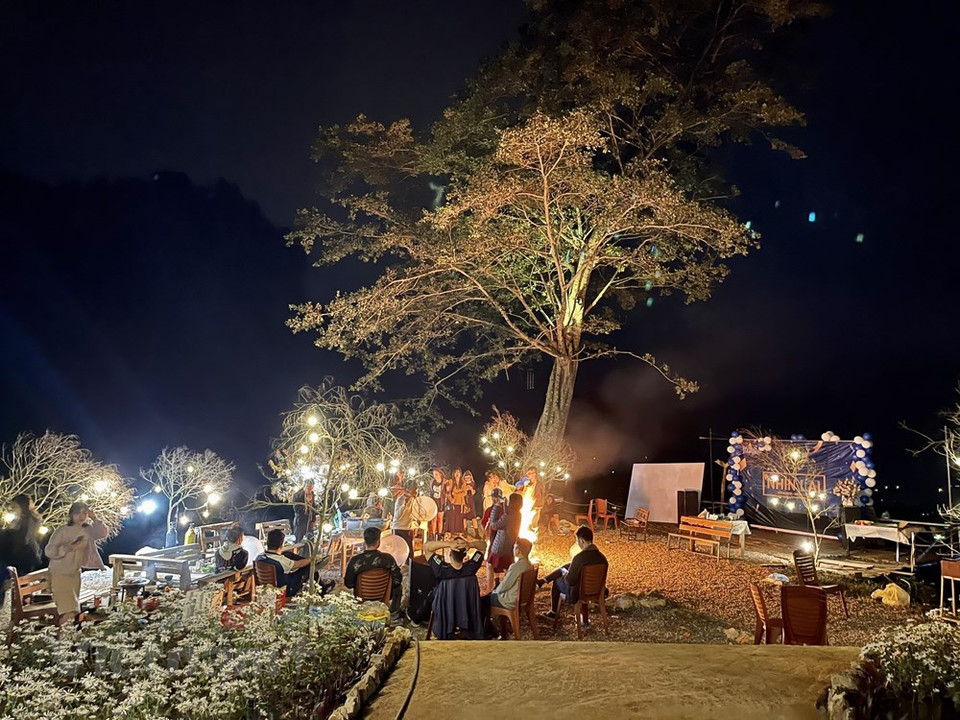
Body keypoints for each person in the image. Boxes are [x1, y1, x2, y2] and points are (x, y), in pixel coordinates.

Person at [44, 502, 108, 624]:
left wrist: (94, 518)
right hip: (60, 573)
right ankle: (64, 638)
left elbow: (102, 533)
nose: (81, 516)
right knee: (69, 609)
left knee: (74, 609)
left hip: (74, 573)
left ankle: (68, 636)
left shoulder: (86, 530)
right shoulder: (63, 530)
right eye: (78, 513)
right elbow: (49, 550)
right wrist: (67, 548)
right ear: (71, 514)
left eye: (84, 513)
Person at [423, 536, 486, 640]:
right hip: (466, 608)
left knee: (430, 597)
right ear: (465, 555)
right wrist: (470, 544)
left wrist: (448, 544)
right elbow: (483, 545)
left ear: (450, 554)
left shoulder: (441, 570)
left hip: (446, 609)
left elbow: (427, 547)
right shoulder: (472, 566)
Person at [540, 525, 607, 620]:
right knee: (568, 565)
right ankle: (543, 581)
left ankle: (554, 613)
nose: (577, 544)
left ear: (582, 541)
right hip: (597, 591)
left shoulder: (579, 558)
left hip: (578, 593)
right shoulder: (602, 558)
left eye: (577, 541)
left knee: (557, 582)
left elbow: (570, 581)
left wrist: (564, 573)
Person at [343, 526, 403, 618]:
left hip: (362, 598)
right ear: (378, 542)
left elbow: (348, 583)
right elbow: (397, 580)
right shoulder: (388, 559)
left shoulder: (355, 561)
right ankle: (394, 614)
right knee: (399, 587)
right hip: (383, 597)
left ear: (364, 541)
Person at [261, 528, 334, 598]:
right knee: (307, 567)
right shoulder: (280, 561)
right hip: (287, 588)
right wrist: (312, 559)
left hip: (271, 583)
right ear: (281, 544)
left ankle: (312, 565)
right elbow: (297, 565)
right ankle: (322, 588)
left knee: (287, 554)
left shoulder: (260, 557)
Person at [489, 537, 534, 613]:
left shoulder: (515, 567)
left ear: (518, 551)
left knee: (483, 600)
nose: (512, 549)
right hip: (522, 600)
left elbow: (505, 586)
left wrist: (494, 591)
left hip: (509, 601)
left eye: (514, 548)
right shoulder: (530, 566)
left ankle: (486, 623)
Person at [488, 492, 523, 578]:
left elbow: (494, 525)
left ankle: (496, 586)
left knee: (492, 566)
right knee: (506, 568)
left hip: (501, 546)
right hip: (509, 545)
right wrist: (503, 504)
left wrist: (496, 506)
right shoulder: (517, 513)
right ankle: (503, 585)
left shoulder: (508, 515)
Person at [390, 483, 418, 558]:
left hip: (408, 528)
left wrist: (415, 523)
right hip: (398, 528)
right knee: (399, 551)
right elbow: (398, 516)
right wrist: (404, 505)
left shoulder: (413, 499)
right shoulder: (401, 499)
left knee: (409, 553)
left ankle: (410, 568)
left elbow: (413, 512)